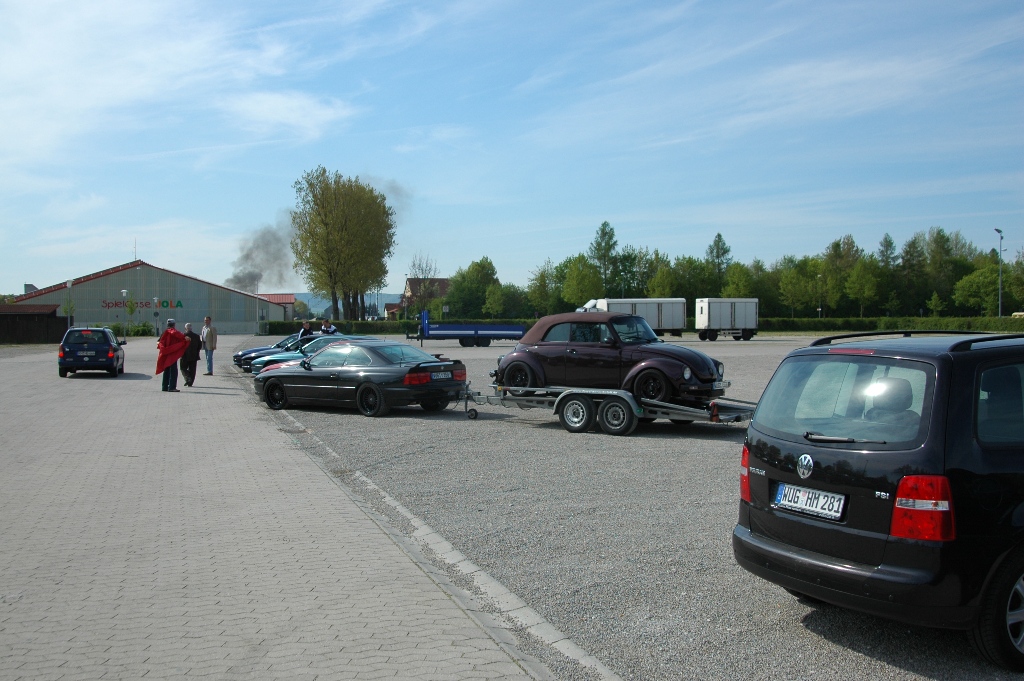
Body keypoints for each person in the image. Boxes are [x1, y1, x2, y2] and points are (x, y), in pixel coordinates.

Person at [155, 319, 189, 392]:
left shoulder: (164, 333)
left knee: (166, 370)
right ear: (174, 324)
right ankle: (172, 387)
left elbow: (159, 342)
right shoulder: (175, 332)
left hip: (165, 355)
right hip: (172, 355)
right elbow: (183, 338)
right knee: (173, 371)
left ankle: (164, 387)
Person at [179, 322, 202, 387]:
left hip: (184, 355)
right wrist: (196, 351)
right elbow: (200, 346)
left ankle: (187, 378)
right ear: (191, 328)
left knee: (183, 368)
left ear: (185, 328)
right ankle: (190, 383)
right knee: (193, 369)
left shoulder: (183, 336)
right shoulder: (196, 336)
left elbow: (180, 346)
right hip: (194, 355)